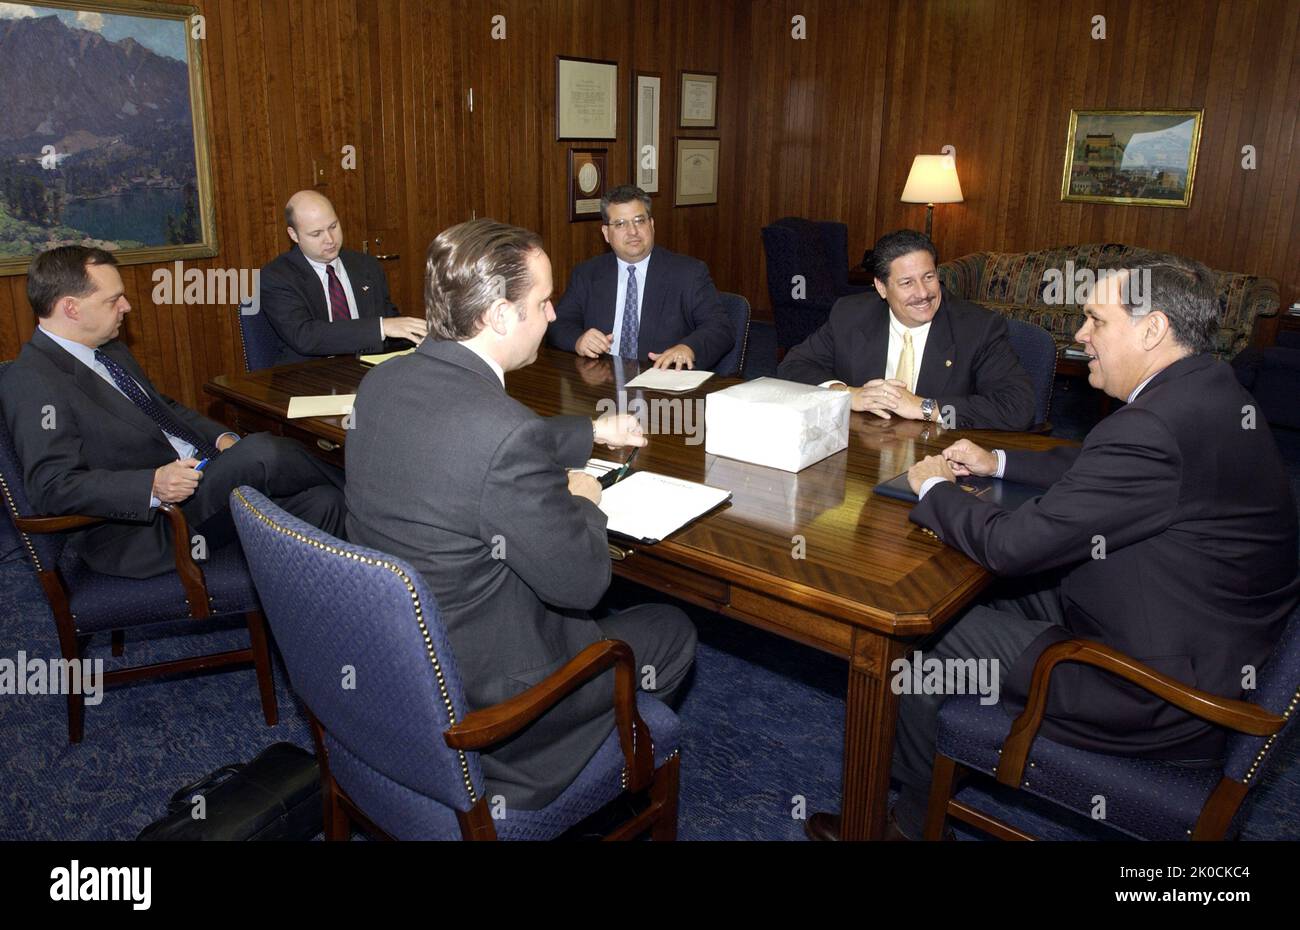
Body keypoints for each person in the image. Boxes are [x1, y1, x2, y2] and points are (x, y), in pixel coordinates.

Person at [822, 252, 1299, 842]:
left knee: (918, 637)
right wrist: (997, 461)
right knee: (969, 598)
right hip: (1181, 625)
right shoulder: (1206, 390)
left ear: (1153, 330)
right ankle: (942, 774)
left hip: (1152, 687)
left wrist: (936, 488)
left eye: (1095, 320)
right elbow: (1100, 463)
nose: (1079, 335)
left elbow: (1013, 548)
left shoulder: (1154, 427)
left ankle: (906, 822)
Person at [345, 218, 697, 811]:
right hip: (495, 706)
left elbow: (479, 441)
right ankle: (592, 773)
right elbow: (583, 584)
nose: (554, 315)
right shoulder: (501, 432)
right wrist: (584, 498)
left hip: (399, 665)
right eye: (542, 301)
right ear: (500, 317)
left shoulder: (384, 383)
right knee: (673, 627)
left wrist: (580, 435)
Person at [2, 246, 347, 579]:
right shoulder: (33, 380)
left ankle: (311, 627)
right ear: (71, 308)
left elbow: (160, 408)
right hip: (152, 526)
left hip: (200, 483)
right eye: (112, 300)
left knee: (324, 502)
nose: (126, 306)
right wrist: (152, 484)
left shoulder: (111, 352)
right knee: (263, 452)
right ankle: (378, 500)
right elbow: (52, 487)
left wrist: (222, 437)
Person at [778, 229, 1035, 431]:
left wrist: (925, 407)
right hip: (865, 453)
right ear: (881, 287)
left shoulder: (977, 327)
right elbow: (792, 366)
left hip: (941, 457)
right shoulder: (850, 314)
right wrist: (847, 395)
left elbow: (1018, 407)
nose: (923, 293)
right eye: (907, 283)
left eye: (929, 277)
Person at [548, 185, 734, 371]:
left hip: (661, 383)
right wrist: (578, 340)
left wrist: (688, 348)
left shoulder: (688, 273)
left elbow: (720, 328)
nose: (633, 231)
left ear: (651, 225)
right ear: (606, 233)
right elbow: (558, 324)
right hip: (601, 380)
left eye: (639, 221)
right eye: (620, 224)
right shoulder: (587, 274)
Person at [257, 190, 427, 363]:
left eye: (333, 226)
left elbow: (390, 323)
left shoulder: (366, 265)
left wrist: (425, 338)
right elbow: (305, 336)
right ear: (294, 235)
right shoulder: (277, 277)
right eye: (316, 234)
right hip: (308, 377)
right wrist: (379, 328)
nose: (330, 239)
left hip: (366, 370)